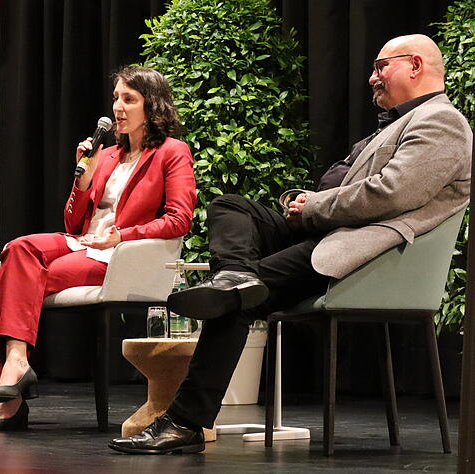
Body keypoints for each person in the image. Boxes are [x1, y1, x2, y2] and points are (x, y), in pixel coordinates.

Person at [109, 34, 472, 455]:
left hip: (362, 249)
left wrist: (314, 205)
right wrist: (300, 202)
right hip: (330, 228)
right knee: (230, 207)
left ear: (415, 65)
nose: (373, 78)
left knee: (236, 303)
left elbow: (390, 194)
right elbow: (346, 183)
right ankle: (235, 274)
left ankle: (185, 422)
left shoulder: (440, 121)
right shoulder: (397, 122)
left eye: (380, 67)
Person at [0, 66, 197, 430]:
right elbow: (73, 224)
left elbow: (179, 220)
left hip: (118, 255)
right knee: (17, 249)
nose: (118, 108)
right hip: (83, 243)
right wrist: (84, 177)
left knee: (17, 280)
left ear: (152, 106)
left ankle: (12, 397)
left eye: (129, 99)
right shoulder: (107, 155)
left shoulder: (172, 152)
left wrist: (122, 235)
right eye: (116, 98)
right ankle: (17, 362)